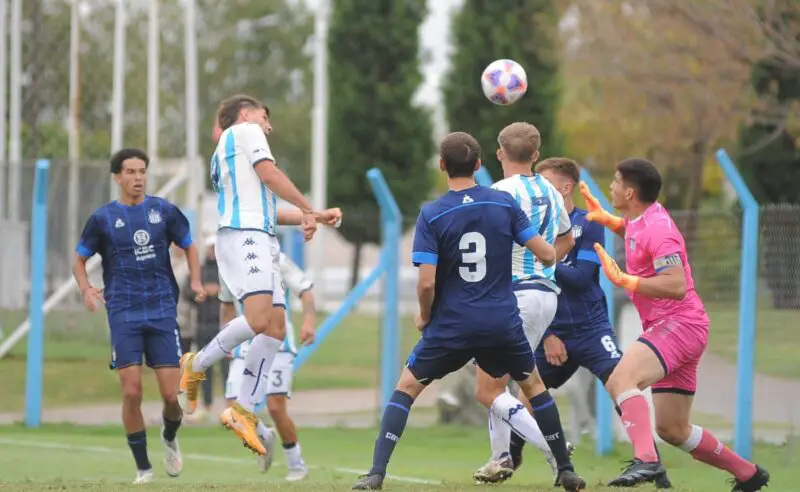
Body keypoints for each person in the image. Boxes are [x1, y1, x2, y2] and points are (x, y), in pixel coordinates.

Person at [352, 132, 585, 492]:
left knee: (407, 388)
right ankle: (566, 470)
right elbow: (548, 253)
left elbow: (426, 283)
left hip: (454, 322)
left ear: (442, 165)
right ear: (479, 165)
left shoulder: (432, 214)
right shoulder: (503, 204)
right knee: (534, 386)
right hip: (501, 320)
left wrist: (425, 315)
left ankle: (375, 474)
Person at [478, 157, 673, 489]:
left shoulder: (587, 224)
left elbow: (582, 278)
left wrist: (539, 262)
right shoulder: (535, 228)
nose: (538, 193)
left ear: (566, 188)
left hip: (590, 328)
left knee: (620, 386)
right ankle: (511, 456)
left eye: (547, 185)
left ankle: (654, 467)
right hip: (553, 331)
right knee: (526, 395)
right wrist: (550, 333)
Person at [581, 158, 769, 491]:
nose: (610, 186)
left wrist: (627, 281)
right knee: (672, 428)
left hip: (678, 325)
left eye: (614, 180)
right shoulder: (641, 219)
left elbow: (676, 284)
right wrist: (609, 220)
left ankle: (647, 461)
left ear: (630, 190)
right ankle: (749, 474)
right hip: (681, 327)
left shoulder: (657, 228)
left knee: (621, 379)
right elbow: (636, 236)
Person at [178, 94, 322, 455]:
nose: (268, 125)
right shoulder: (245, 130)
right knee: (259, 320)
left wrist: (315, 216)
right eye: (264, 116)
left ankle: (242, 408)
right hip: (246, 238)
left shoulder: (232, 151)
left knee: (274, 327)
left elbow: (268, 210)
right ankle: (197, 363)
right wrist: (308, 206)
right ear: (245, 114)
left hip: (258, 237)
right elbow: (270, 174)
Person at [73, 148, 206, 484]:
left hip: (161, 309)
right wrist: (87, 288)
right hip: (123, 312)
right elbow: (78, 259)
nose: (138, 178)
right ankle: (143, 467)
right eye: (130, 172)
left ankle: (169, 435)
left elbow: (189, 244)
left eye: (142, 171)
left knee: (170, 396)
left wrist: (198, 279)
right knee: (131, 392)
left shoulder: (163, 211)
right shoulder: (103, 219)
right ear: (118, 177)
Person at [473, 124, 578, 487]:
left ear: (500, 153)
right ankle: (500, 457)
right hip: (545, 295)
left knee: (487, 390)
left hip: (513, 296)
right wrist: (546, 261)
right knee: (511, 383)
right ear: (536, 155)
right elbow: (566, 238)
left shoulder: (498, 192)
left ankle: (555, 449)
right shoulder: (550, 190)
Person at [221, 251, 317, 481]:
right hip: (245, 347)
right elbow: (227, 307)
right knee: (234, 409)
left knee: (275, 407)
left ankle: (296, 464)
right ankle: (264, 436)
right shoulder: (228, 266)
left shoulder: (276, 258)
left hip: (278, 344)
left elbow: (305, 292)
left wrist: (309, 323)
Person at [184, 236, 224, 420]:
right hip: (202, 325)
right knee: (204, 367)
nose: (212, 251)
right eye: (210, 248)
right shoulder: (197, 271)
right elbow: (187, 291)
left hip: (223, 326)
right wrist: (201, 292)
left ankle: (231, 405)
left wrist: (220, 290)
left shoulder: (226, 271)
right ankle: (206, 405)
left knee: (227, 366)